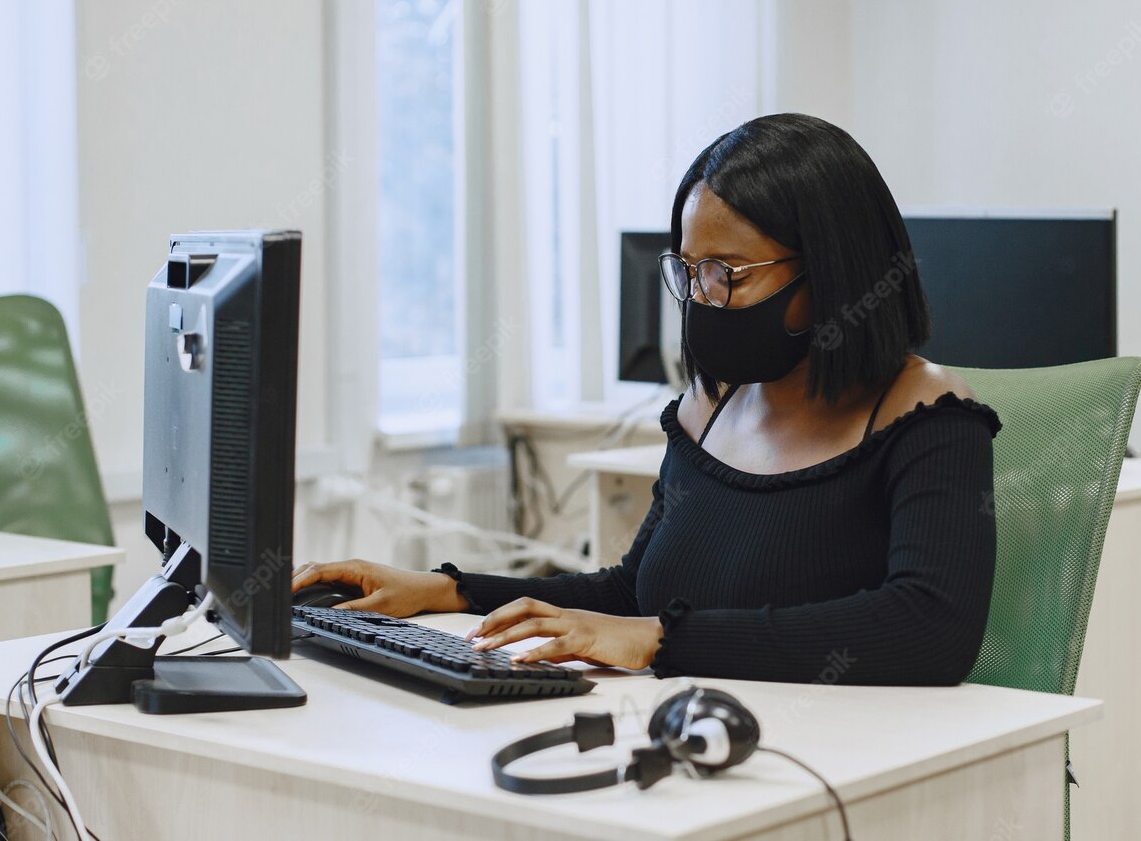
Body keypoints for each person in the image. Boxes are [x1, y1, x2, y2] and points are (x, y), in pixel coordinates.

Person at [293, 112, 1000, 685]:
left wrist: (661, 640)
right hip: (702, 741)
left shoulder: (925, 413)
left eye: (727, 272)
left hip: (846, 764)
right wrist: (445, 590)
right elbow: (636, 592)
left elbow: (929, 629)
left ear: (832, 270)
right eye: (688, 271)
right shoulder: (709, 408)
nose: (700, 298)